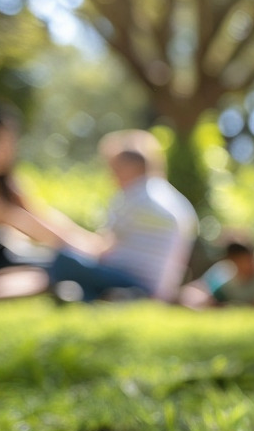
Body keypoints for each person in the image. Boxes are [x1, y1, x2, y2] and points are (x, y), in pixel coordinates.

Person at [46, 129, 198, 302]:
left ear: (130, 167)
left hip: (133, 281)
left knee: (64, 259)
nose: (111, 176)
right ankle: (96, 297)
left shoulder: (134, 196)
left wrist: (59, 236)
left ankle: (96, 296)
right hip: (161, 288)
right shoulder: (174, 199)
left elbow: (101, 248)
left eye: (114, 168)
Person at [0, 105, 98, 299]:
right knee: (55, 270)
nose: (9, 148)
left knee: (53, 267)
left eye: (12, 140)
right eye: (1, 141)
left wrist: (90, 241)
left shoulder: (6, 183)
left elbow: (40, 214)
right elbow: (19, 221)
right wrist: (78, 247)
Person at [181, 234, 254, 308]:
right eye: (237, 262)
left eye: (244, 260)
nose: (243, 266)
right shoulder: (224, 277)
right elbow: (199, 291)